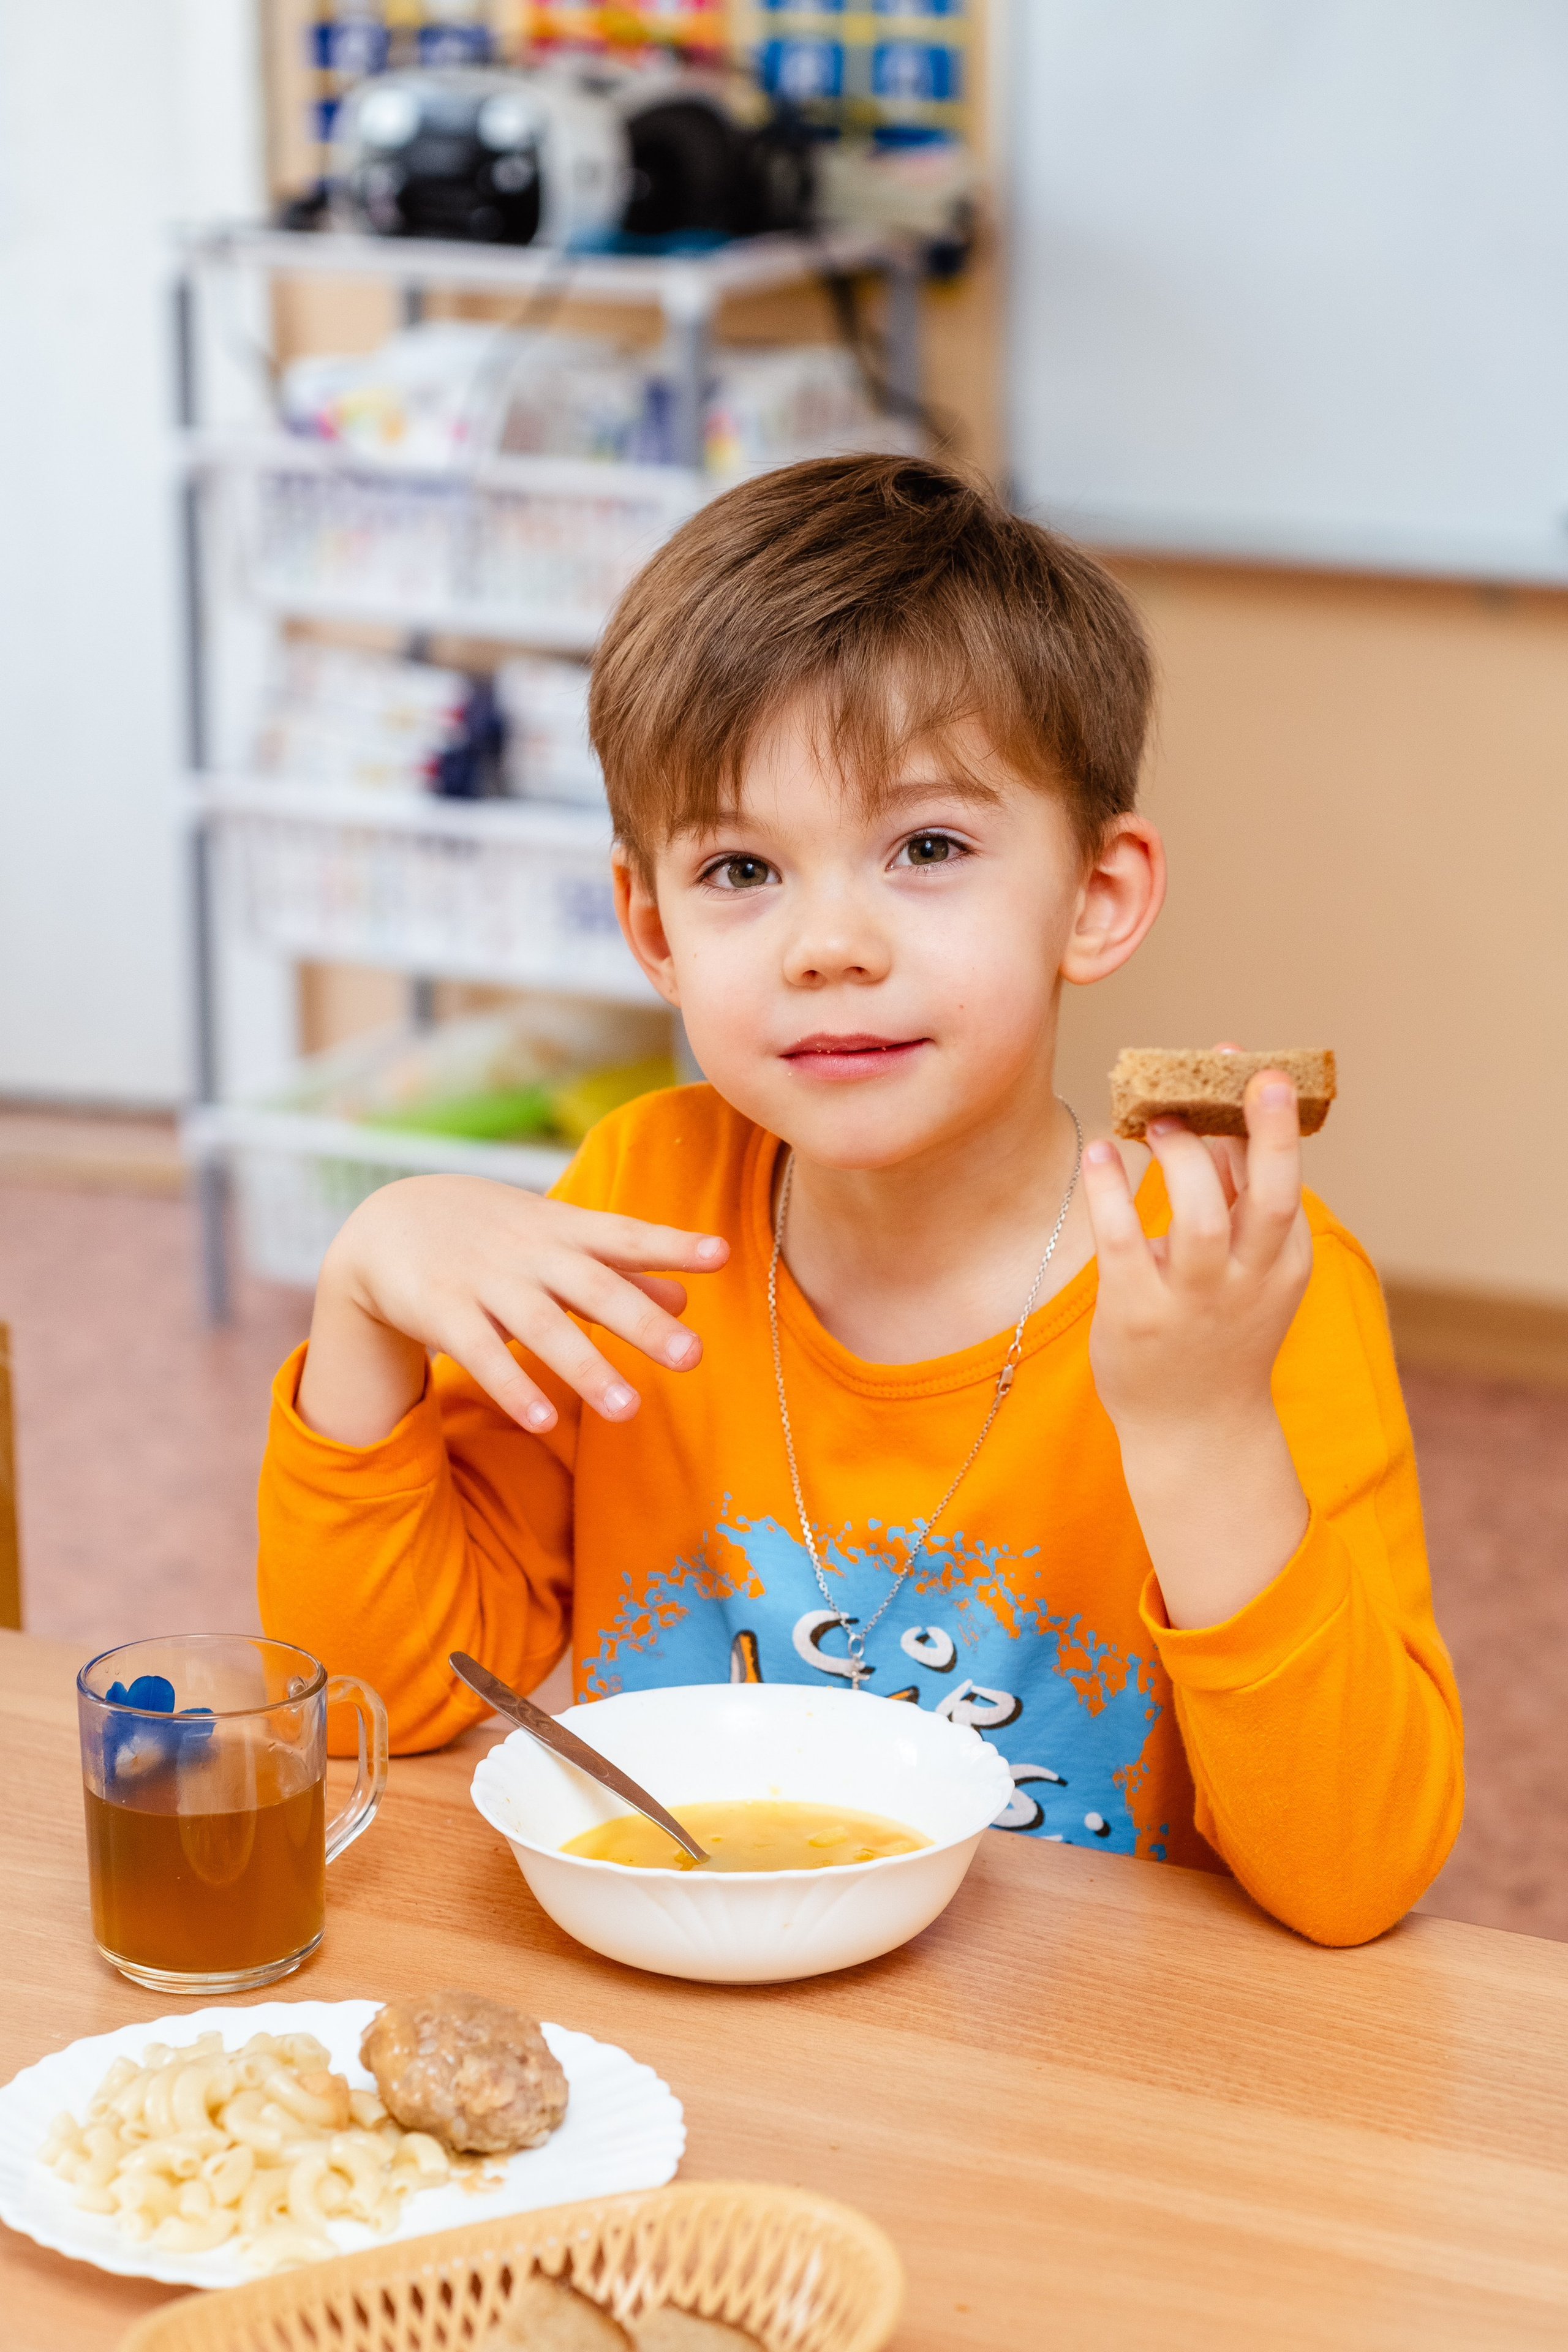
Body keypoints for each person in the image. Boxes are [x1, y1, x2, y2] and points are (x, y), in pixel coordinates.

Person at [258, 454, 1461, 1947]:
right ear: (652, 926)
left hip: (1080, 2068)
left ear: (1095, 896)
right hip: (688, 2024)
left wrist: (1202, 1421)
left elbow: (1352, 1880)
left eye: (927, 849)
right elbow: (389, 1703)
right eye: (741, 868)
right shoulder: (644, 1199)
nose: (828, 942)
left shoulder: (1233, 1281)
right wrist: (364, 1290)